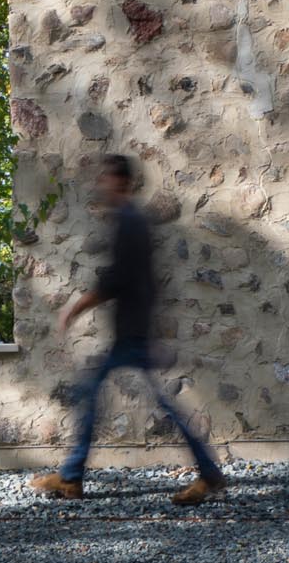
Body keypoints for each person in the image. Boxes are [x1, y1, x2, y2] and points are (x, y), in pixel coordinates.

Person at [33, 153, 225, 507]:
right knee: (104, 397)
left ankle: (73, 477)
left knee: (116, 398)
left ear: (120, 182)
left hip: (133, 332)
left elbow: (119, 279)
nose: (100, 184)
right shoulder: (129, 220)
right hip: (131, 331)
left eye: (105, 178)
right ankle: (73, 477)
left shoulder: (130, 222)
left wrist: (75, 308)